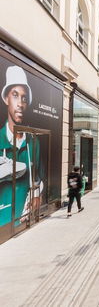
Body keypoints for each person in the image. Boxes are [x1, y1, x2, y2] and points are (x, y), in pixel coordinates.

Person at [0, 66, 44, 226]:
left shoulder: (33, 141)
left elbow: (39, 176)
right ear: (6, 98)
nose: (20, 103)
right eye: (15, 95)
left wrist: (36, 194)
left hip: (23, 220)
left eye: (24, 98)